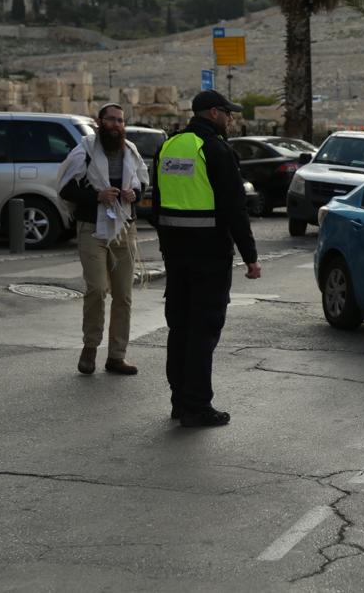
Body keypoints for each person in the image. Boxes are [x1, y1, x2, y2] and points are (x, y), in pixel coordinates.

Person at [153, 90, 261, 428]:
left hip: (176, 254)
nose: (231, 119)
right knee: (204, 328)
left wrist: (169, 243)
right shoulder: (215, 149)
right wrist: (251, 257)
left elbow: (155, 206)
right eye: (228, 113)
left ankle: (179, 400)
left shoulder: (169, 146)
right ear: (214, 113)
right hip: (209, 256)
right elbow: (234, 209)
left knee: (180, 327)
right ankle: (197, 406)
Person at [58, 102, 149, 376]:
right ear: (99, 122)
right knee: (97, 289)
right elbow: (66, 188)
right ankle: (90, 347)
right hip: (92, 229)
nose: (116, 125)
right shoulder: (84, 150)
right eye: (111, 120)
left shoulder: (130, 151)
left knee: (124, 295)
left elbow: (142, 181)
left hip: (124, 228)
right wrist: (96, 196)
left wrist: (135, 193)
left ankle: (117, 356)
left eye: (120, 121)